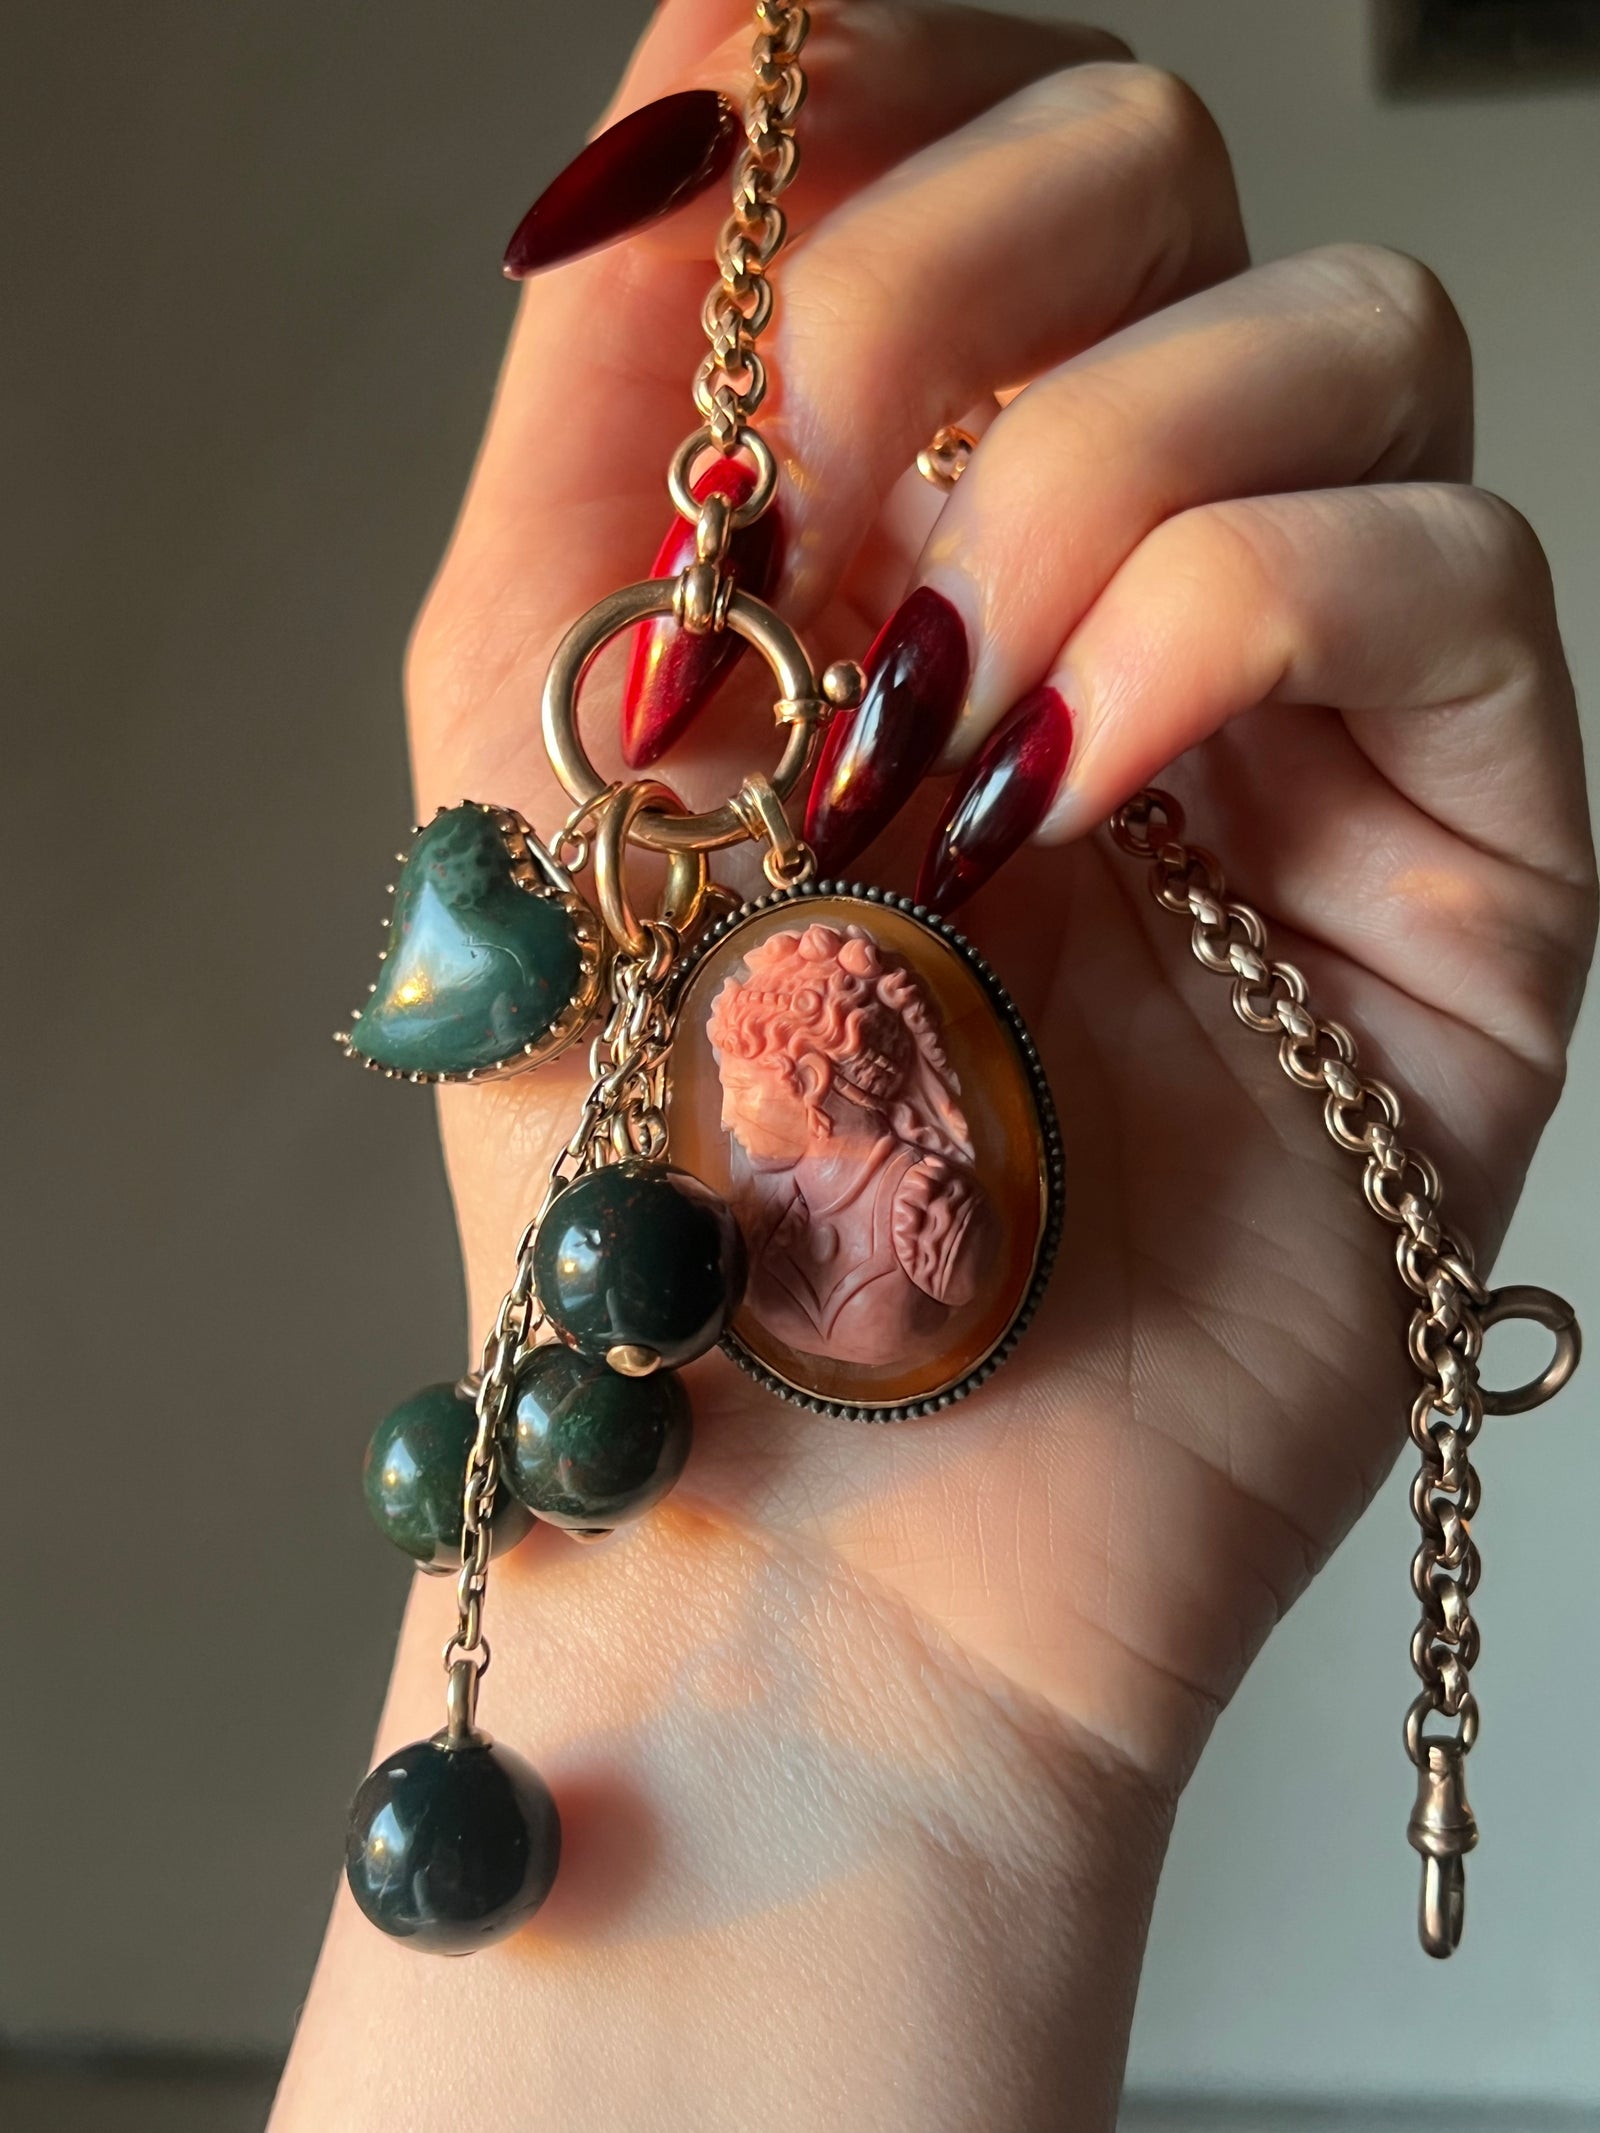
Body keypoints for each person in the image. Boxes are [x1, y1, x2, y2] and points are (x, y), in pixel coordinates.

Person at [271, 4, 1596, 2127]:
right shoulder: (729, 1115)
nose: (817, 1088)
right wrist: (801, 1683)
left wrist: (948, 1739)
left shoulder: (873, 1153)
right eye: (809, 1062)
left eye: (831, 1057)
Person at [707, 921, 990, 1366]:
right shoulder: (752, 1217)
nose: (726, 1119)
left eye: (741, 1091)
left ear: (809, 1080)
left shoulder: (935, 1218)